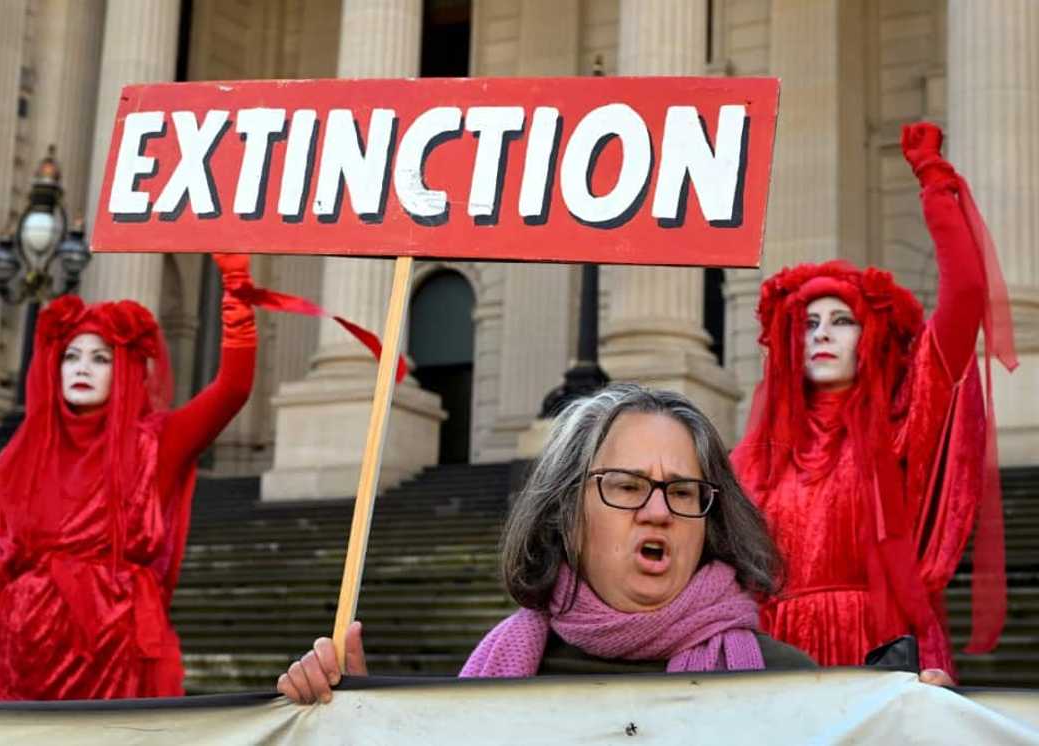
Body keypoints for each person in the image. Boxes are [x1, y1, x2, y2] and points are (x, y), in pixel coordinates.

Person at [279, 384, 816, 705]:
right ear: (565, 513)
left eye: (682, 492)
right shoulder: (497, 677)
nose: (658, 512)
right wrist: (358, 723)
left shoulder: (788, 685)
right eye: (627, 486)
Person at [731, 122, 1016, 681]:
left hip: (878, 646)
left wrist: (934, 182)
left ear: (872, 338)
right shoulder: (758, 457)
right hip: (777, 655)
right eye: (808, 323)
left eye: (841, 321)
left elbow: (965, 296)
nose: (821, 334)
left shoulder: (901, 424)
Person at [0, 253, 257, 701]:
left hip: (112, 651)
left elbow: (232, 389)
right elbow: (2, 575)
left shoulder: (156, 444)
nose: (82, 367)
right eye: (71, 356)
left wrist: (236, 289)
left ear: (125, 369)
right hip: (21, 652)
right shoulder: (21, 456)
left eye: (101, 358)